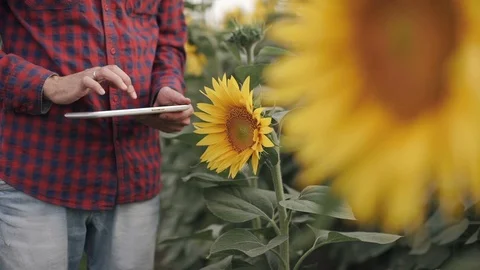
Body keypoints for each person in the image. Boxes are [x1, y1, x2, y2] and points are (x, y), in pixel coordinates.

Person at [0, 1, 192, 269]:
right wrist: (49, 85)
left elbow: (169, 40)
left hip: (135, 171)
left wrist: (165, 89)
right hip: (38, 172)